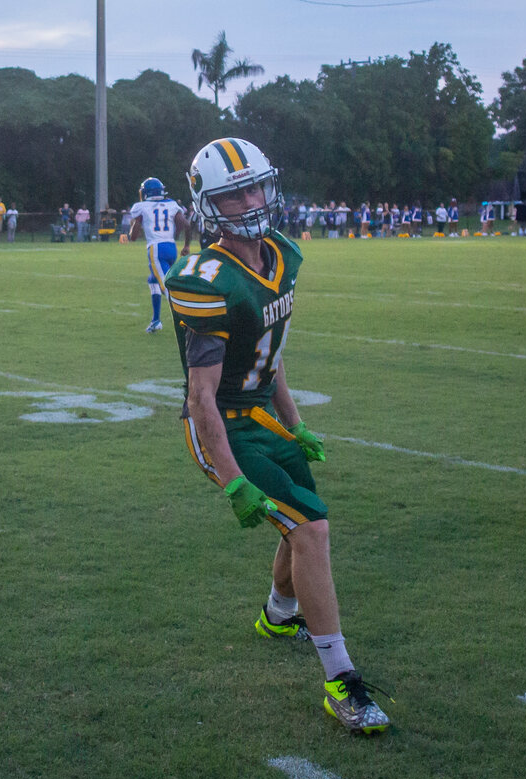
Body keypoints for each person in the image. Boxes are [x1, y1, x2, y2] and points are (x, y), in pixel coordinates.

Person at [164, 137, 392, 735]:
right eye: (234, 193)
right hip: (224, 429)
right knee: (311, 527)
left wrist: (296, 424)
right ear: (209, 205)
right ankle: (341, 680)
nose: (251, 199)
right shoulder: (206, 277)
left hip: (265, 418)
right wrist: (234, 480)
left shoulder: (284, 254)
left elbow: (273, 356)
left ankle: (278, 612)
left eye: (255, 186)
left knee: (300, 524)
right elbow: (201, 398)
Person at [129, 176, 191, 333]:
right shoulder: (171, 205)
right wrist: (186, 245)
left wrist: (135, 225)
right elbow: (186, 224)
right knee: (153, 280)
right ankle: (156, 320)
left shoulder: (142, 207)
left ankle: (190, 320)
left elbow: (133, 236)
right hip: (171, 247)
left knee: (166, 288)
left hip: (156, 248)